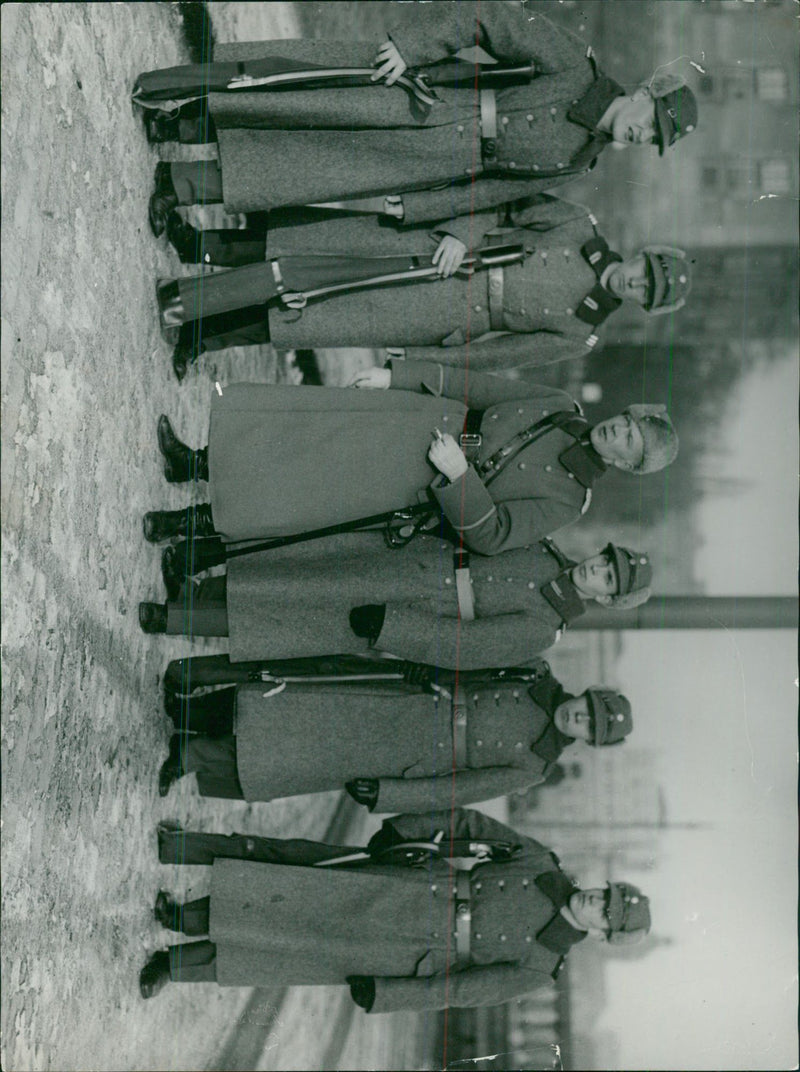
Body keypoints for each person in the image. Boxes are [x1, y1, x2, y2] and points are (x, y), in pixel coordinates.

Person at [134, 3, 698, 232]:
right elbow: (490, 18)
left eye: (653, 141)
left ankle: (178, 186)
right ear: (646, 90)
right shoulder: (576, 65)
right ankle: (176, 120)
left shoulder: (579, 161)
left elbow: (493, 191)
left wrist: (422, 206)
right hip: (423, 91)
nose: (642, 135)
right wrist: (412, 46)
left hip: (423, 160)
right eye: (651, 122)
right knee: (299, 100)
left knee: (300, 168)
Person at [141, 359, 679, 564]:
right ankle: (192, 463)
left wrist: (460, 477)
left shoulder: (569, 501)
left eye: (628, 441)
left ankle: (184, 525)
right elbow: (484, 386)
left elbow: (494, 534)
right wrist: (397, 377)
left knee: (301, 496)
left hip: (420, 482)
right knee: (301, 436)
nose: (617, 429)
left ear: (628, 467)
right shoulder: (564, 409)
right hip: (418, 422)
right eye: (627, 421)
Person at [138, 807, 651, 1008]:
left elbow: (458, 991)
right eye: (606, 895)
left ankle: (173, 965)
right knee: (293, 886)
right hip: (409, 886)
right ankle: (179, 913)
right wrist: (410, 829)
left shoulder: (541, 967)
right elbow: (472, 825)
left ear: (602, 936)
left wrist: (387, 995)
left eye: (605, 913)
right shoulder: (543, 865)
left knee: (289, 951)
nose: (596, 903)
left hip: (402, 952)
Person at [153, 195, 691, 379]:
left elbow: (497, 357)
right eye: (646, 271)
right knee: (317, 249)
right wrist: (461, 233)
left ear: (642, 305)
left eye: (645, 291)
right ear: (642, 254)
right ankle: (199, 245)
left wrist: (415, 359)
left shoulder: (583, 332)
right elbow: (504, 204)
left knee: (316, 316)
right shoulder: (580, 227)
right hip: (441, 252)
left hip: (442, 315)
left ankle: (201, 338)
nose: (635, 281)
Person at [154, 656, 633, 807]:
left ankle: (191, 756)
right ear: (586, 693)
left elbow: (456, 790)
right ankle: (192, 713)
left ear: (586, 742)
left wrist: (389, 794)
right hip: (404, 695)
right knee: (292, 702)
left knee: (294, 755)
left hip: (403, 753)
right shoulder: (534, 672)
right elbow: (469, 652)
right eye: (588, 709)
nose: (579, 719)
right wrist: (425, 665)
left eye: (589, 728)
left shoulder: (534, 765)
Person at [137, 535, 653, 670]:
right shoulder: (546, 550)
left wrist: (392, 630)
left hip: (413, 610)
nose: (597, 570)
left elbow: (463, 647)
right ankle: (193, 587)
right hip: (414, 558)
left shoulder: (544, 628)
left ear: (607, 600)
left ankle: (172, 619)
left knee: (289, 623)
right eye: (605, 561)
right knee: (299, 573)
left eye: (607, 580)